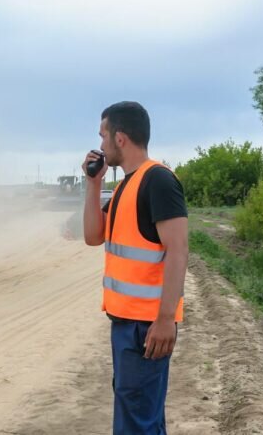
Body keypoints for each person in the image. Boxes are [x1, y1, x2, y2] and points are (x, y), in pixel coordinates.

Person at [81, 101, 188, 435]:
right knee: (140, 416)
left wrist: (165, 319)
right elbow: (92, 236)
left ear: (120, 138)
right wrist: (93, 183)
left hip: (147, 327)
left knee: (137, 422)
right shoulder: (127, 184)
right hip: (127, 325)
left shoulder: (157, 181)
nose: (100, 145)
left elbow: (179, 251)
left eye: (103, 136)